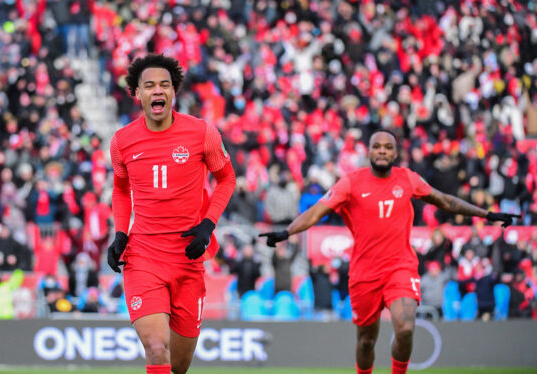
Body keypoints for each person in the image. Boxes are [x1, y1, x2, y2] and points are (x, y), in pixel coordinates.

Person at [259, 130, 520, 374]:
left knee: (405, 328)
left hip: (400, 266)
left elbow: (445, 200)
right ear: (369, 152)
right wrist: (286, 232)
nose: (382, 151)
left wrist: (487, 214)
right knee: (366, 342)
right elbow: (316, 211)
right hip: (364, 273)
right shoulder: (350, 183)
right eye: (376, 147)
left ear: (395, 154)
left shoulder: (407, 178)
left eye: (388, 147)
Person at [107, 54, 236, 374]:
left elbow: (227, 179)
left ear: (174, 92)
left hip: (188, 259)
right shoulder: (122, 141)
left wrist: (208, 225)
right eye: (149, 85)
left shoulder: (202, 133)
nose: (157, 91)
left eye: (164, 84)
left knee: (178, 366)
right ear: (137, 93)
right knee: (156, 348)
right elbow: (121, 190)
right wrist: (121, 233)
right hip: (143, 258)